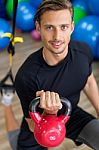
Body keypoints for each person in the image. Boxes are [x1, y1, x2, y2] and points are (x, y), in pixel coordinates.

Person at [14, 0, 99, 149]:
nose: (57, 36)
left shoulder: (83, 51)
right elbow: (32, 124)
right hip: (39, 124)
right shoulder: (26, 76)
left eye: (63, 27)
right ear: (38, 27)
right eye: (49, 27)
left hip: (70, 114)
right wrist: (49, 113)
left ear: (72, 27)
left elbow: (89, 81)